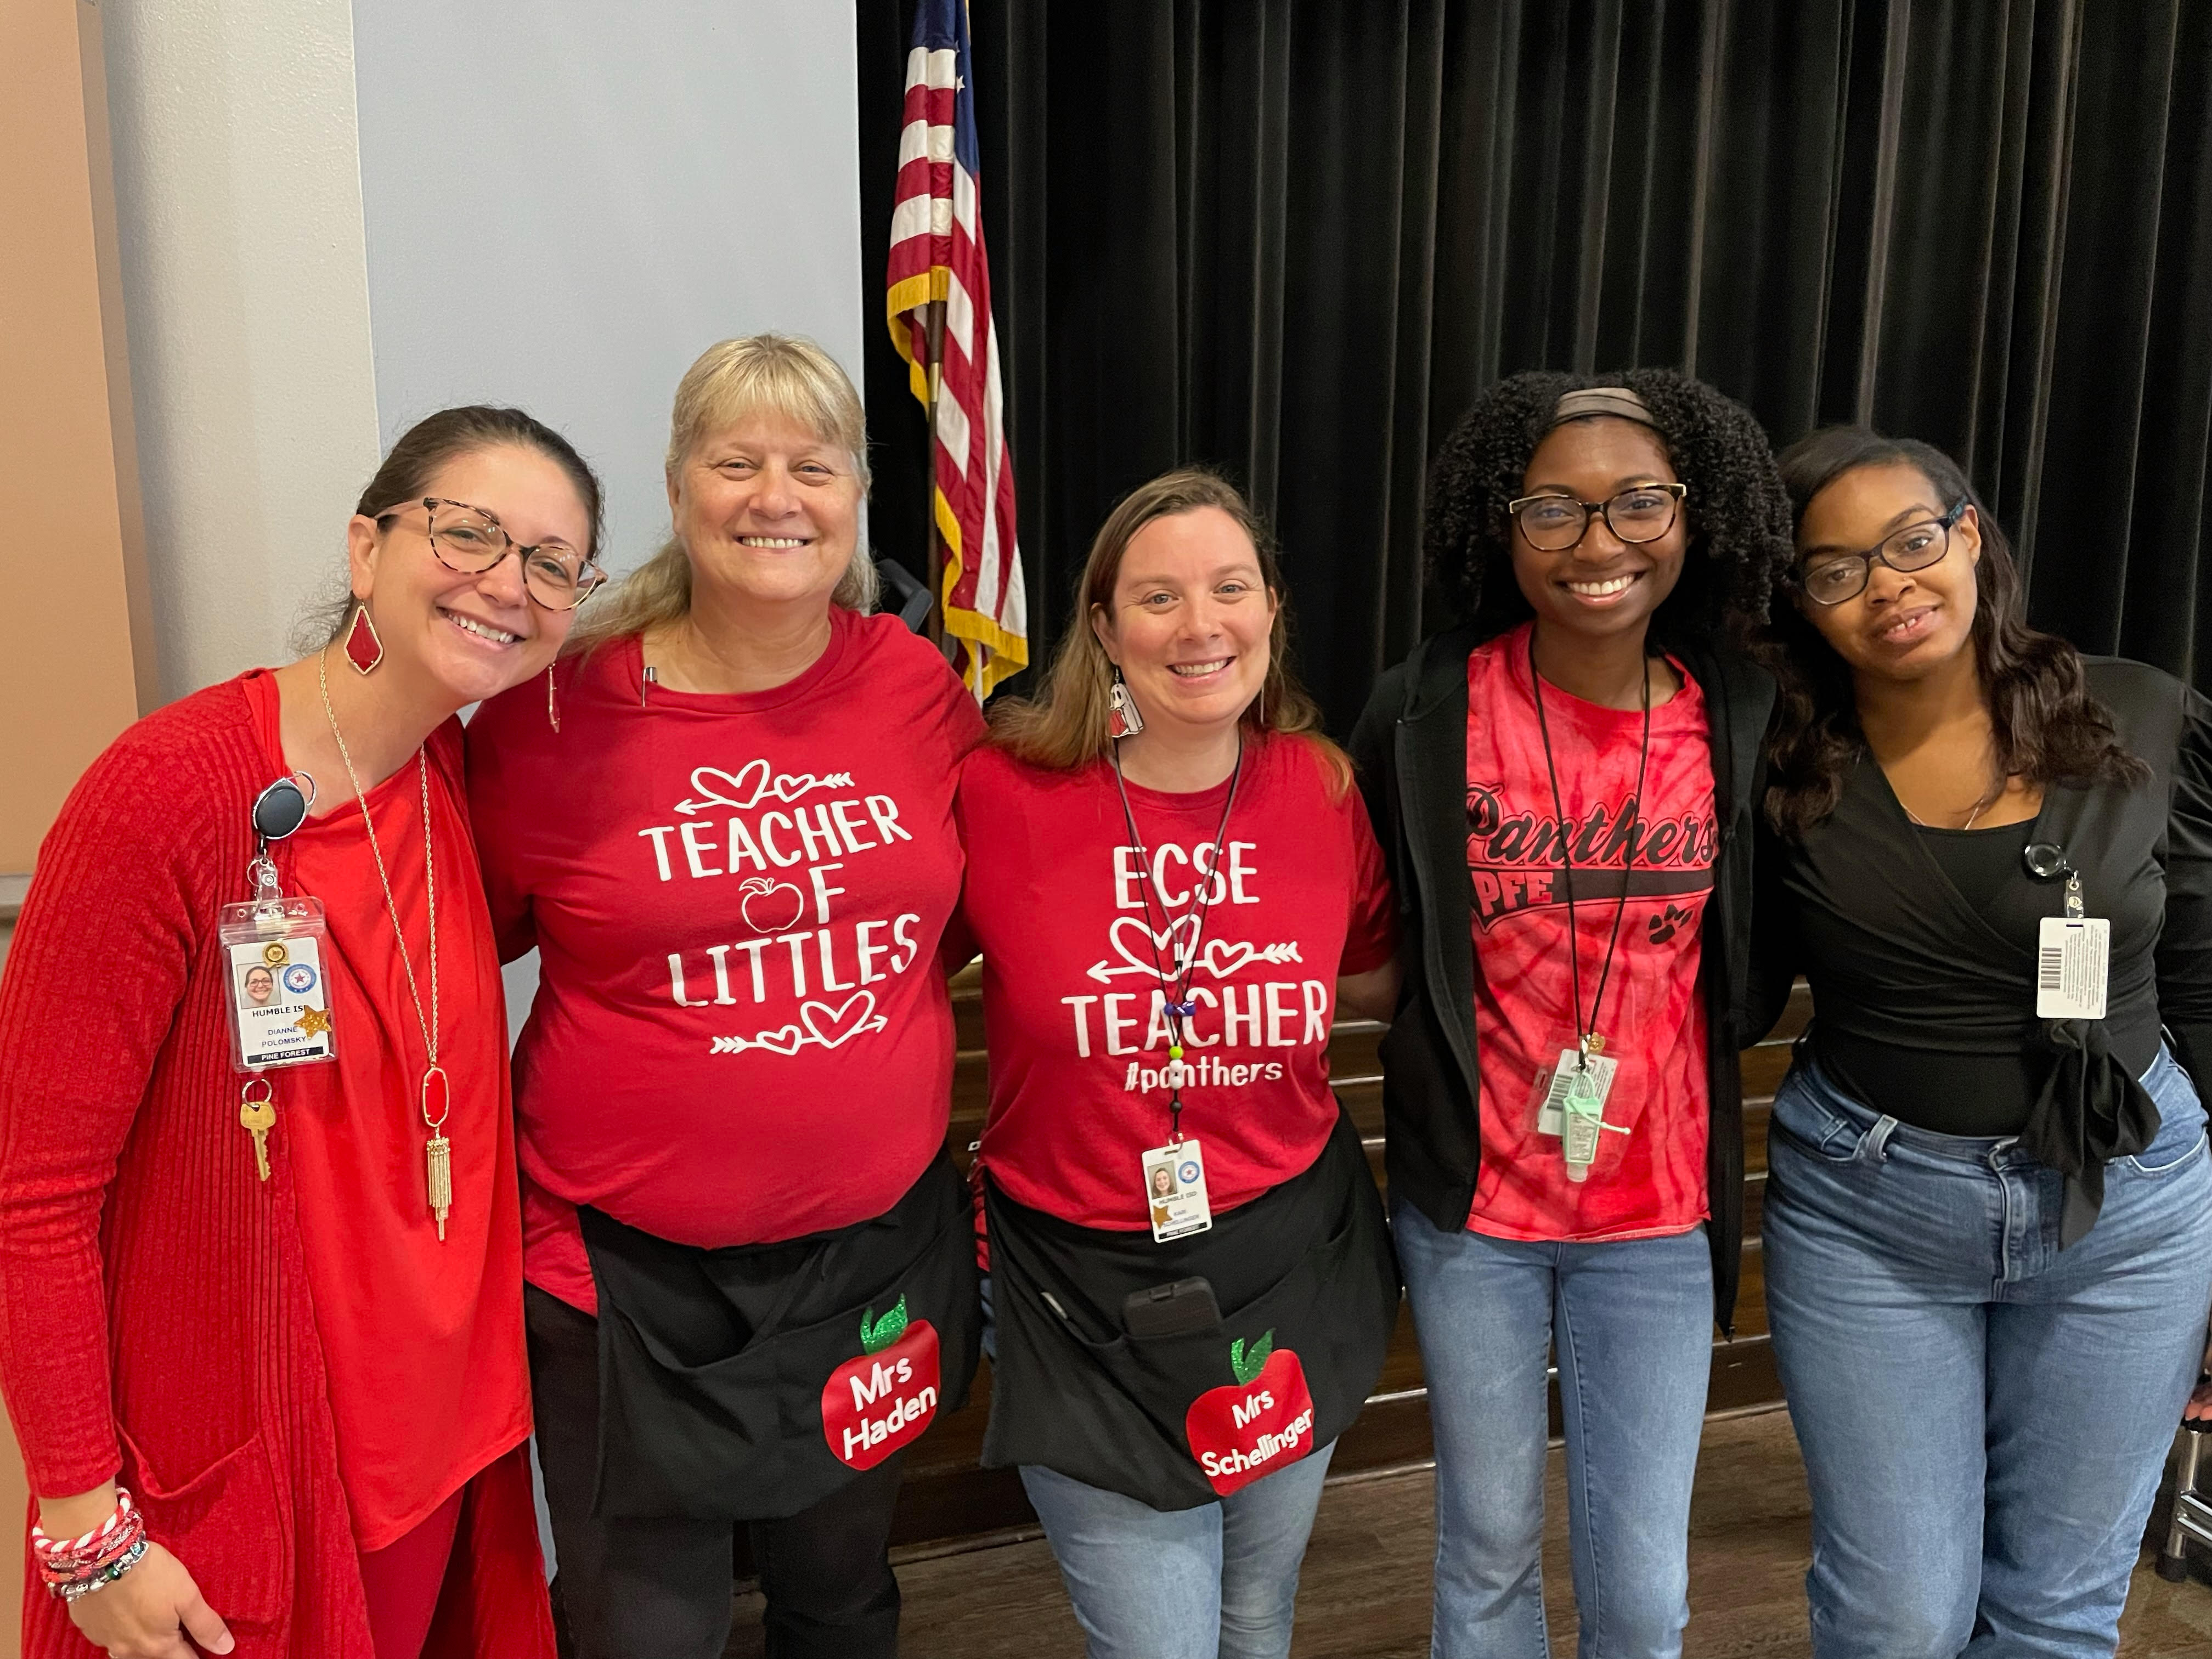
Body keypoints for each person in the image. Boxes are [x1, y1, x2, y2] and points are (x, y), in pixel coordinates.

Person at [0, 405, 603, 1659]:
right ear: (365, 547)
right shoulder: (170, 795)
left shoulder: (452, 780)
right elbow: (33, 1197)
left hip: (449, 1446)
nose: (509, 583)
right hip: (255, 1474)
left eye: (552, 563)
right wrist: (82, 1522)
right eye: (470, 532)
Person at [466, 335, 985, 1659]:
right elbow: (456, 951)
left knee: (842, 1600)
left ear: (856, 493)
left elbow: (966, 912)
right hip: (622, 1282)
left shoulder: (918, 688)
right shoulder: (554, 712)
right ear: (677, 484)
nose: (776, 497)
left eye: (812, 466)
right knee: (644, 1630)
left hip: (870, 1252)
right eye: (736, 461)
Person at [1750, 427, 2212, 1657]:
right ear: (1799, 599)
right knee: (1896, 1616)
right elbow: (1728, 1000)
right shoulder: (1776, 763)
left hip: (2133, 1205)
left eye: (1913, 540)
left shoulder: (2146, 714)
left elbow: (2208, 984)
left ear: (1971, 535)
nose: (1890, 584)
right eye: (1837, 567)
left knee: (2058, 1612)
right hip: (1872, 1213)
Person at [1351, 373, 1792, 1657]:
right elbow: (1373, 928)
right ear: (1501, 527)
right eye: (1555, 510)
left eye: (1638, 503)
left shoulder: (1740, 713)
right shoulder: (1425, 710)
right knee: (1486, 1553)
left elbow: (1759, 948)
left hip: (1659, 1213)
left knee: (1643, 1588)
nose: (1601, 544)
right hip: (1476, 1211)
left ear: (1694, 518)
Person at [957, 470, 1401, 1659]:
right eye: (1158, 597)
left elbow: (1372, 978)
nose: (1201, 626)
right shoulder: (997, 792)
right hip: (1074, 1285)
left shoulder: (1319, 787)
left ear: (1271, 612)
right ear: (1102, 628)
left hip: (1282, 1263)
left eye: (1230, 589)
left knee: (1256, 1621)